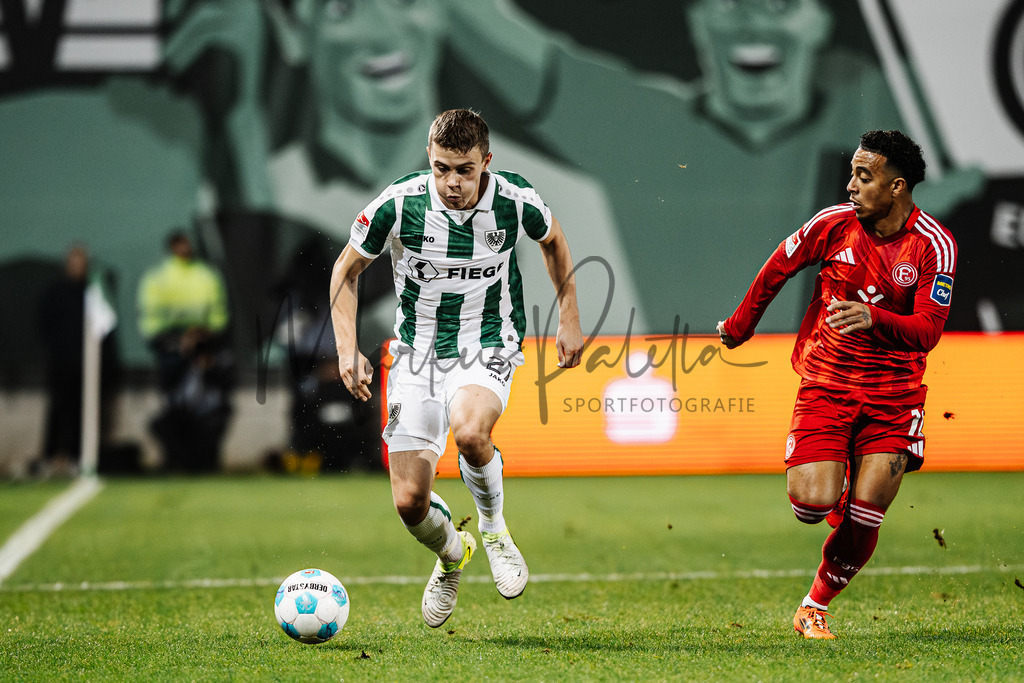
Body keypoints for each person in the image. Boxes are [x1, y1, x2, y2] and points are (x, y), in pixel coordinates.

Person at [330, 109, 584, 627]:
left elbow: (553, 239)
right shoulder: (398, 204)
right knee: (408, 502)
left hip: (486, 343)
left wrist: (569, 316)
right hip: (416, 356)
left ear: (486, 162)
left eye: (465, 170)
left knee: (471, 433)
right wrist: (346, 348)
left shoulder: (513, 199)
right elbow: (345, 270)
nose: (452, 182)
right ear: (429, 157)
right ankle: (453, 552)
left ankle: (493, 529)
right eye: (442, 167)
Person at [717, 130, 957, 639]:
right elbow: (775, 270)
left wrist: (873, 318)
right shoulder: (833, 225)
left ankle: (814, 606)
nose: (850, 185)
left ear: (896, 187)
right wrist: (740, 327)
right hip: (827, 382)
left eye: (863, 177)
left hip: (895, 397)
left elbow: (929, 332)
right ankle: (838, 483)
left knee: (866, 517)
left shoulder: (934, 246)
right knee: (810, 507)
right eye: (851, 173)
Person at [137, 230, 234, 473]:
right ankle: (178, 461)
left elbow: (219, 315)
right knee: (174, 411)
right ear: (172, 247)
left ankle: (205, 463)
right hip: (172, 352)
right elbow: (150, 321)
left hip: (205, 347)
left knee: (212, 408)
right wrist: (177, 342)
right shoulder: (158, 278)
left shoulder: (206, 276)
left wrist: (202, 337)